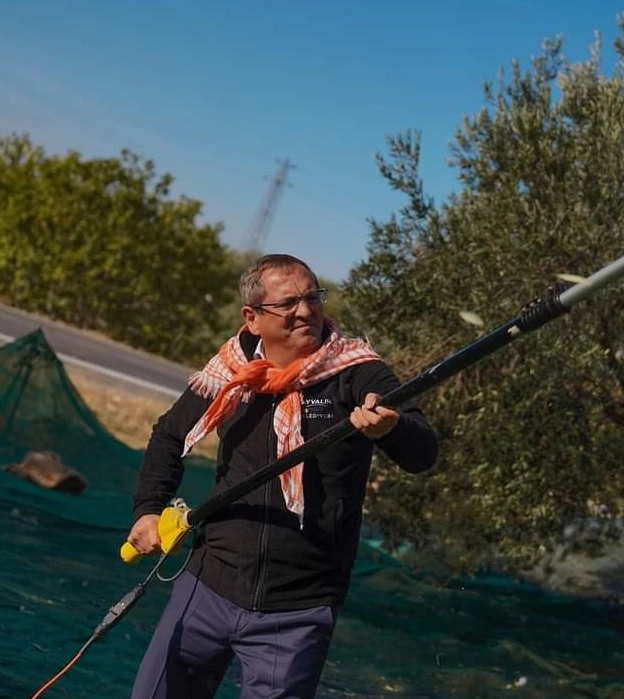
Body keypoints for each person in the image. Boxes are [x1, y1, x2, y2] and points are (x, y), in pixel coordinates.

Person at [124, 254, 439, 699]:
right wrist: (148, 511)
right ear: (252, 318)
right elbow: (169, 435)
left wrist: (392, 428)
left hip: (298, 610)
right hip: (207, 587)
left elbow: (423, 452)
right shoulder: (230, 372)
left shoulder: (357, 371)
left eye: (313, 298)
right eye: (288, 303)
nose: (306, 311)